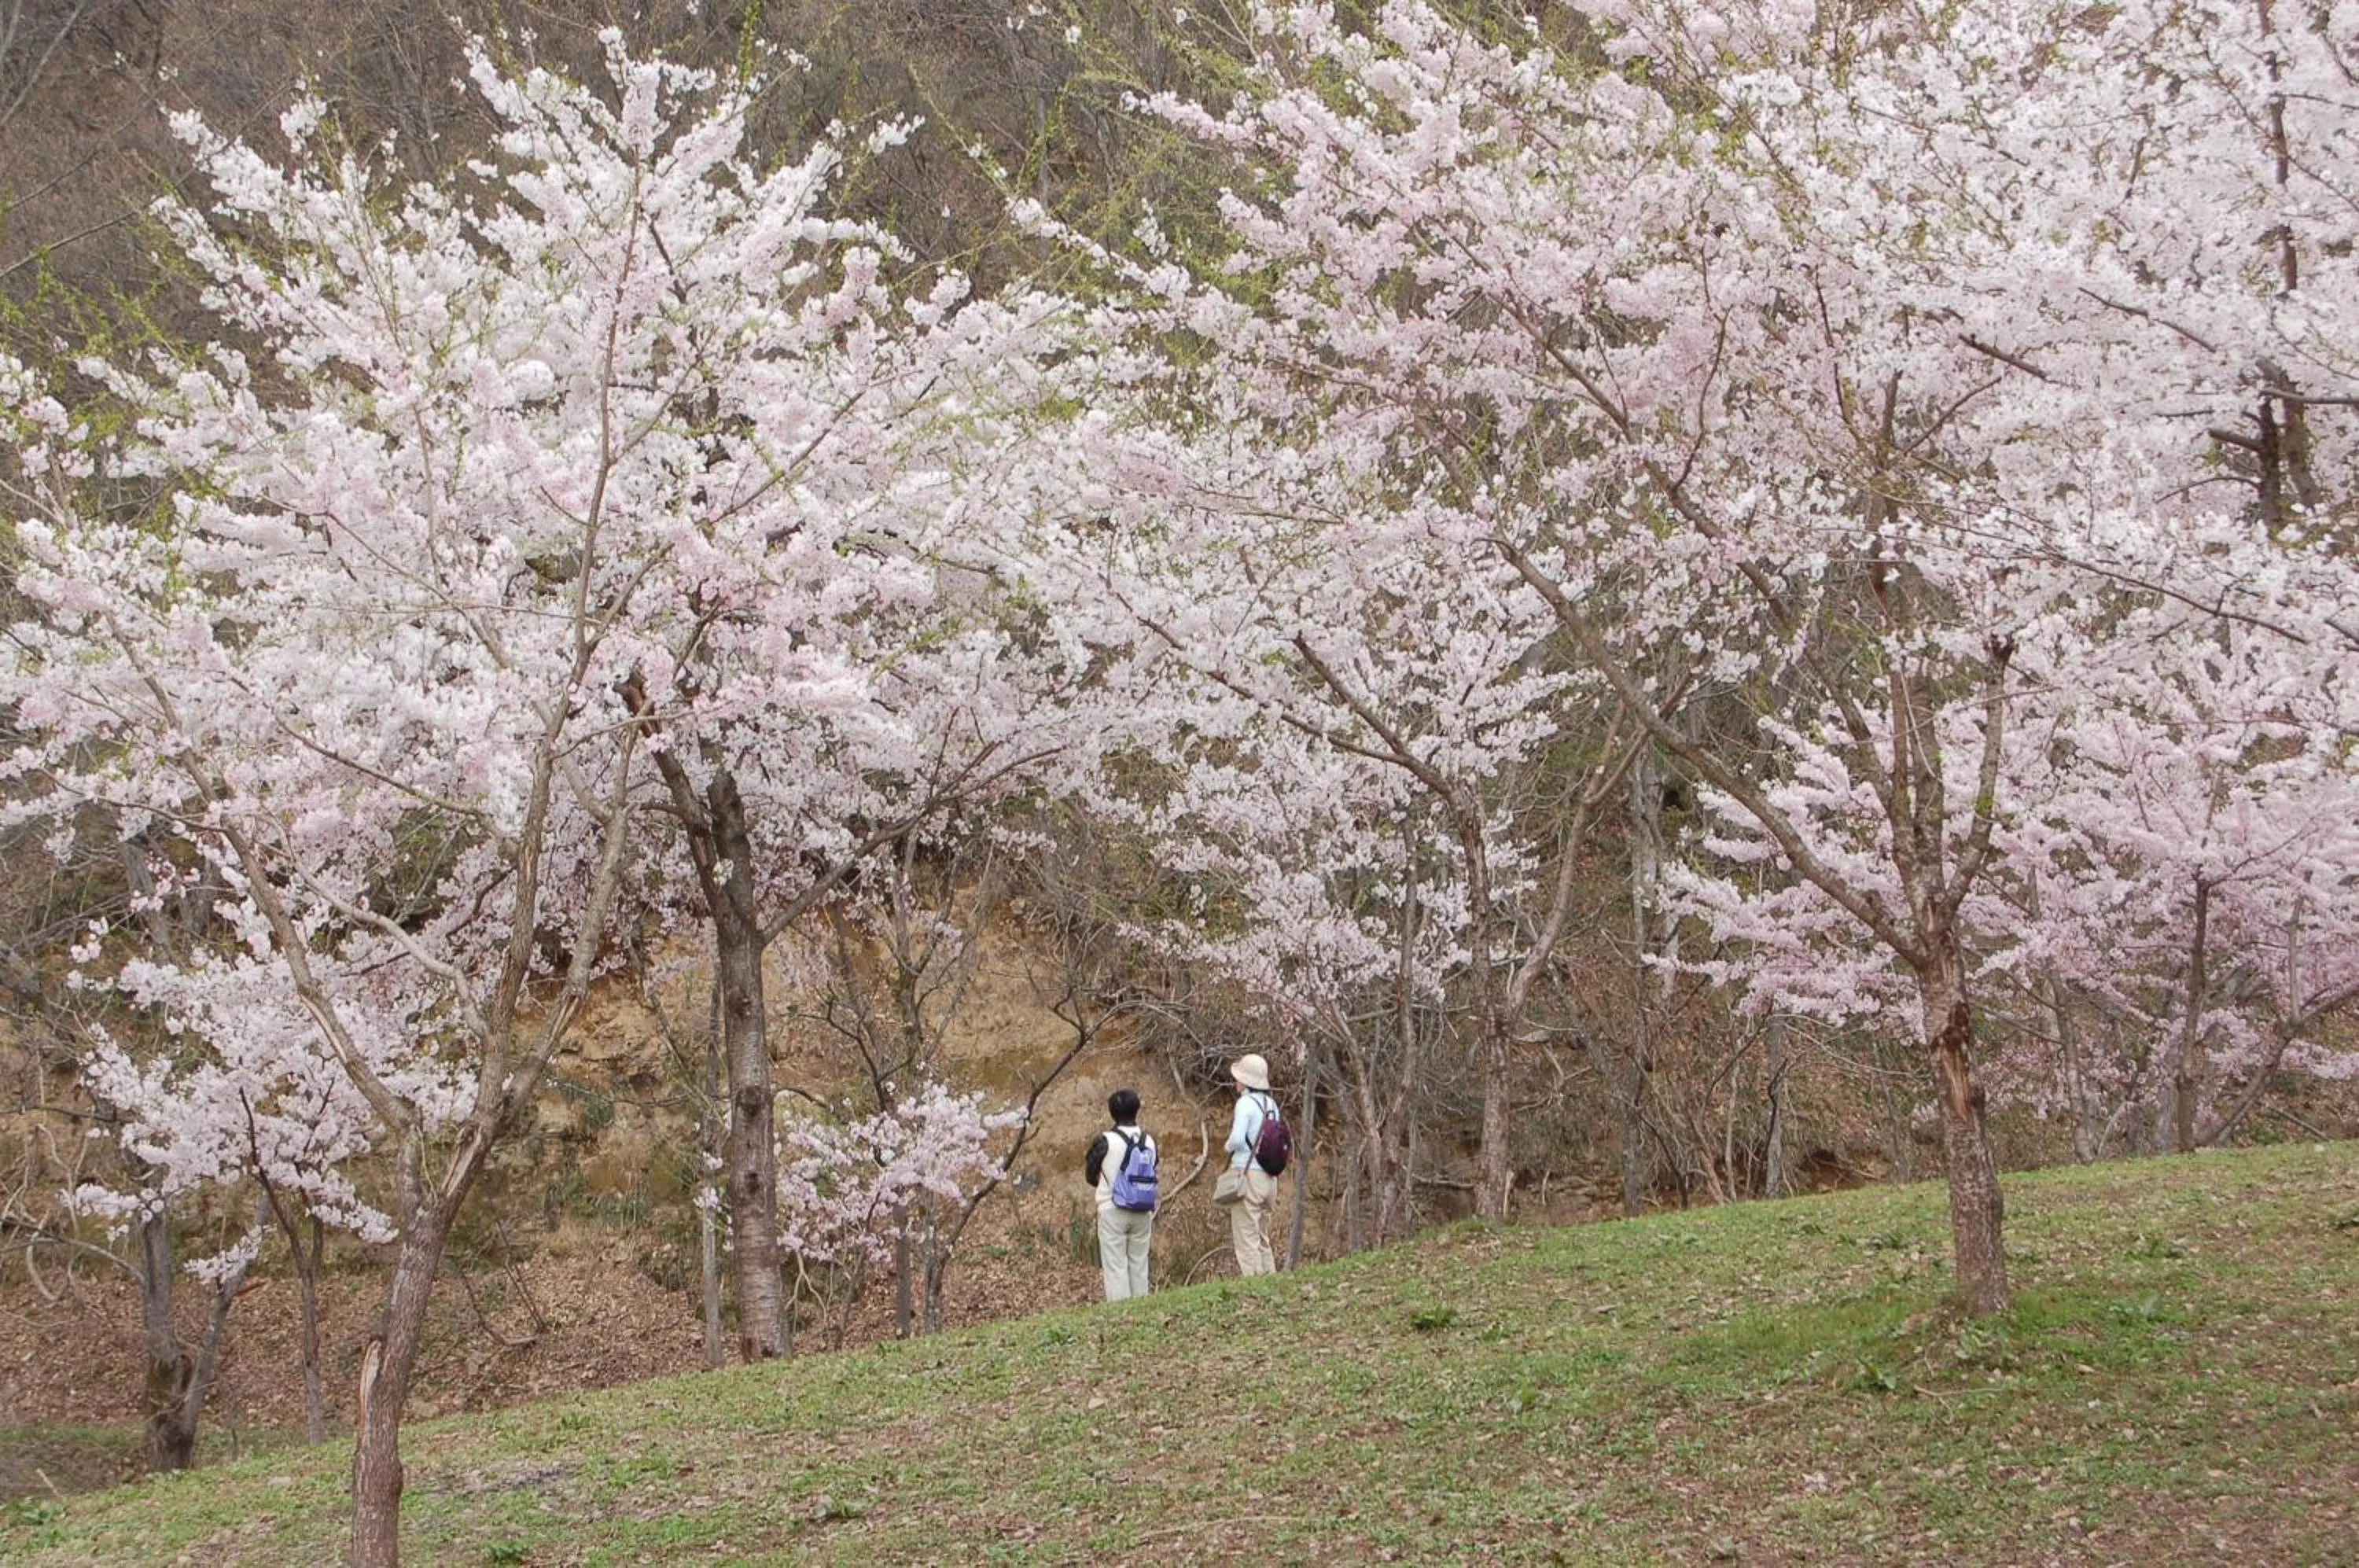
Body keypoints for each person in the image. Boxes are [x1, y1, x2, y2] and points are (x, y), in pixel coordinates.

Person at [1084, 1088, 1156, 1301]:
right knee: (1139, 1263)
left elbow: (1090, 1174)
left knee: (1115, 1265)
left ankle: (1121, 1313)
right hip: (1143, 1209)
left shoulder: (1105, 1140)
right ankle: (1142, 1306)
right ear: (1137, 1110)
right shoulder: (1149, 1140)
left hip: (1112, 1208)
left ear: (1111, 1112)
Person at [1224, 1053, 1282, 1276]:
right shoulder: (1272, 1105)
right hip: (1269, 1177)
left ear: (1246, 1081)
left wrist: (1227, 1147)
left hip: (1248, 1175)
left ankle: (1253, 1285)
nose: (1236, 1081)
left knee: (1246, 1237)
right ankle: (1270, 1278)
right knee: (1262, 1237)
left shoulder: (1245, 1104)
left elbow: (1238, 1139)